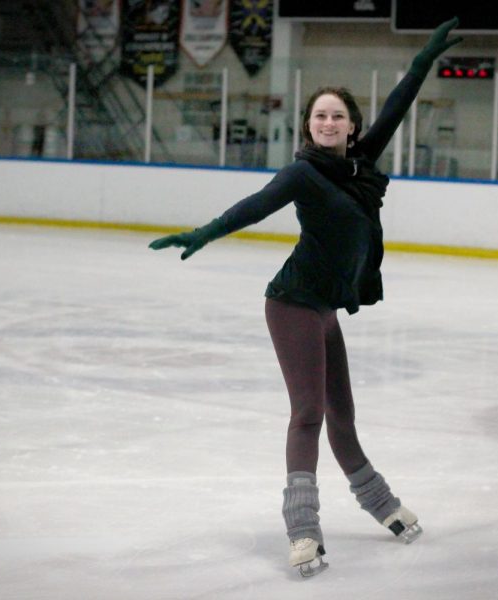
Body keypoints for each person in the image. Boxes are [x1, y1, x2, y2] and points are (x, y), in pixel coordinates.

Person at [149, 17, 462, 578]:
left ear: (350, 126)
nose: (327, 122)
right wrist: (202, 232)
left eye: (337, 115)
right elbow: (254, 205)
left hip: (323, 309)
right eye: (319, 115)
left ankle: (382, 504)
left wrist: (421, 62)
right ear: (308, 125)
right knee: (308, 414)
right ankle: (302, 533)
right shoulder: (302, 174)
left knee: (343, 416)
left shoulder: (360, 167)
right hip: (291, 302)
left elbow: (397, 105)